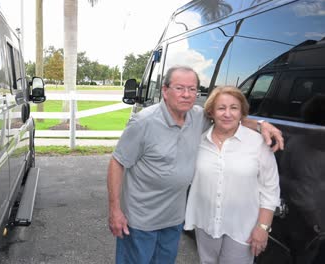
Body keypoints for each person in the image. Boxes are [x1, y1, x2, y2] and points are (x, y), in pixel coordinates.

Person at [107, 66, 283, 264]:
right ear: (165, 91)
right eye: (180, 88)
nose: (186, 95)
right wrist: (115, 210)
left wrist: (261, 125)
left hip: (173, 219)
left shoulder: (197, 117)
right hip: (140, 219)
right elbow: (117, 162)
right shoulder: (143, 122)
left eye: (192, 89)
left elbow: (228, 117)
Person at [184, 86, 281, 264]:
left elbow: (270, 189)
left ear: (242, 112)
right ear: (211, 112)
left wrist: (263, 227)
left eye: (234, 108)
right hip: (205, 224)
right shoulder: (198, 142)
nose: (227, 114)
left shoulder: (258, 143)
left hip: (243, 228)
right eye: (221, 108)